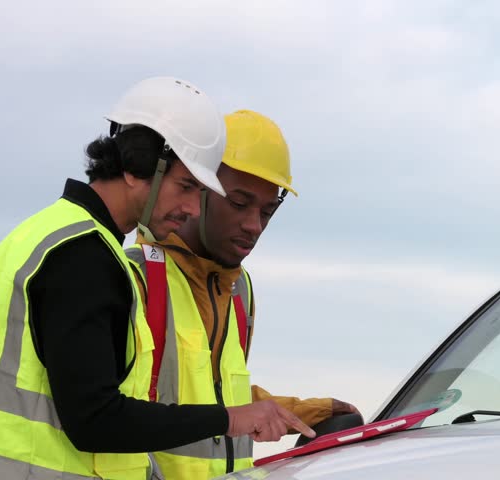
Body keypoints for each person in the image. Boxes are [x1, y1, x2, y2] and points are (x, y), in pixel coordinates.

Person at [0, 78, 313, 480]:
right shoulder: (81, 255)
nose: (193, 208)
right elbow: (96, 419)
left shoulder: (48, 234)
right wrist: (226, 420)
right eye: (186, 186)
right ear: (138, 166)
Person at [127, 110, 359, 479]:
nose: (253, 226)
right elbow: (105, 416)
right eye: (238, 203)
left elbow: (217, 398)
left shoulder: (239, 290)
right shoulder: (134, 277)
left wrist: (300, 411)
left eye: (268, 211)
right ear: (196, 186)